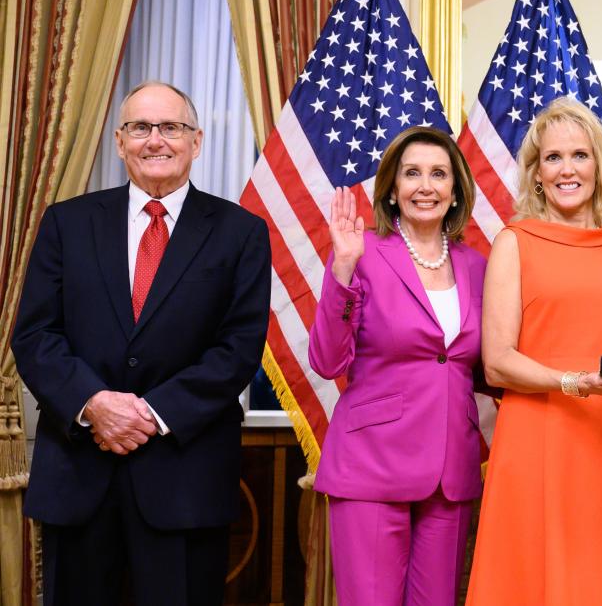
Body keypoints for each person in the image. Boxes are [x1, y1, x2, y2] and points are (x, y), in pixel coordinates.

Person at [11, 81, 271, 605]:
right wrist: (95, 405)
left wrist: (148, 414)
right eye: (140, 128)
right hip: (80, 472)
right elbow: (36, 334)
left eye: (170, 127)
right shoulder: (67, 222)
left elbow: (237, 349)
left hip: (185, 479)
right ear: (119, 141)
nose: (156, 140)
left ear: (195, 142)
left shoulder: (241, 232)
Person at [465, 98, 602, 606]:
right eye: (552, 158)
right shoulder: (514, 242)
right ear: (536, 173)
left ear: (598, 167)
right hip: (538, 437)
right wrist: (575, 382)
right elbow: (497, 359)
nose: (566, 169)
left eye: (579, 155)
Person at [307, 126, 487, 605]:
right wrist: (342, 267)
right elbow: (327, 361)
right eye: (412, 173)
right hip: (372, 466)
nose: (425, 185)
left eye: (438, 174)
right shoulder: (362, 254)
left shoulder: (478, 266)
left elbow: (489, 361)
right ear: (391, 188)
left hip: (450, 472)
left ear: (455, 192)